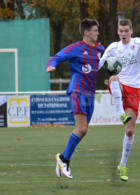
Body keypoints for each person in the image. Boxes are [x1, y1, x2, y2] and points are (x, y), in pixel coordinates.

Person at [99, 19, 140, 181]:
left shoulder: (139, 43)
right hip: (119, 85)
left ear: (131, 31)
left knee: (130, 131)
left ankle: (123, 165)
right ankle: (121, 113)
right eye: (121, 31)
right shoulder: (113, 47)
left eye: (126, 31)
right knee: (114, 78)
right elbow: (100, 64)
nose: (124, 34)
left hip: (134, 89)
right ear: (118, 32)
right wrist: (90, 63)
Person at [46, 18, 105, 179]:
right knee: (82, 129)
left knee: (83, 131)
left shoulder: (100, 49)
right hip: (78, 91)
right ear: (86, 32)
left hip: (90, 94)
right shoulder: (76, 48)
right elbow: (57, 57)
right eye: (95, 30)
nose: (98, 33)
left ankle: (63, 158)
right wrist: (51, 65)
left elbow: (111, 60)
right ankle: (64, 160)